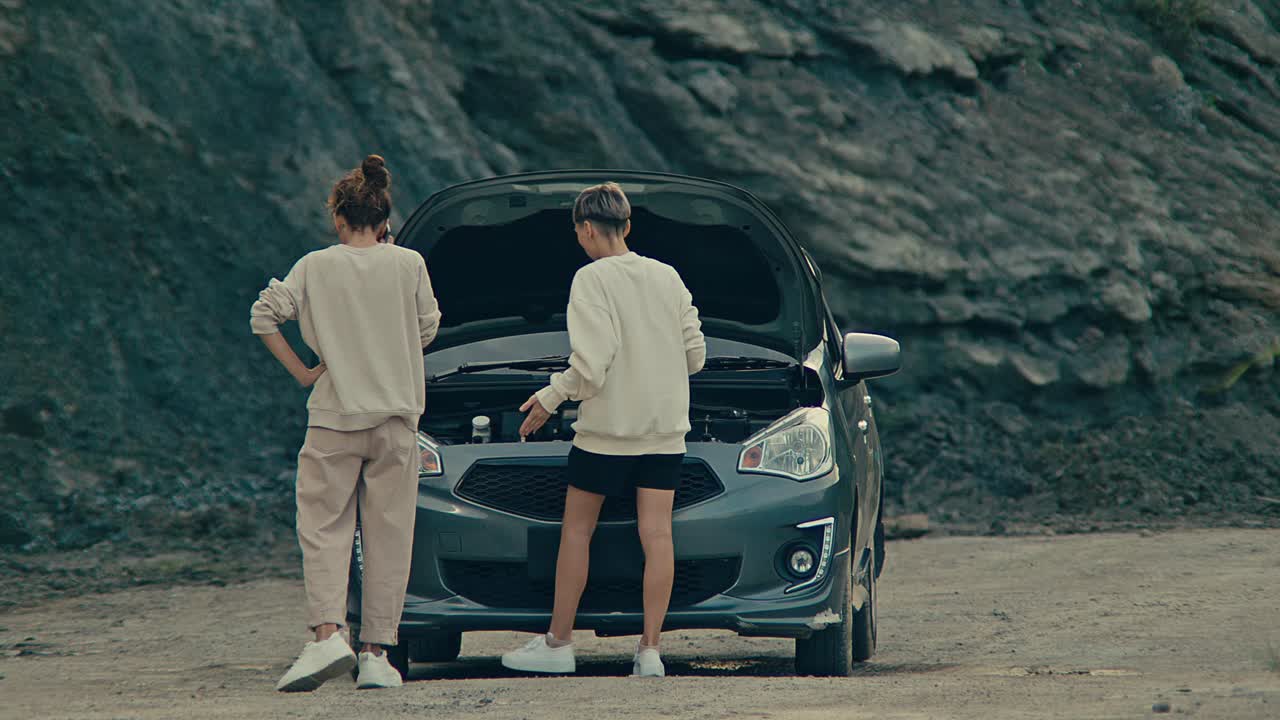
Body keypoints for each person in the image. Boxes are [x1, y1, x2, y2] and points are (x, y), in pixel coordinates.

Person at [250, 155, 441, 691]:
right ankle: (377, 654)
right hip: (397, 420)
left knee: (325, 529)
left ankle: (327, 636)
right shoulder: (409, 265)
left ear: (338, 218)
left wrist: (305, 373)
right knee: (388, 535)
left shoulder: (315, 265)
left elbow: (263, 315)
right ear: (384, 221)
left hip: (334, 418)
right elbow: (427, 330)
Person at [500, 182, 706, 678]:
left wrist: (549, 397)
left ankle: (559, 642)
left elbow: (590, 368)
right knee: (657, 535)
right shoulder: (668, 276)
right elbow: (695, 356)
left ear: (587, 229)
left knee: (577, 531)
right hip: (663, 433)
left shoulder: (591, 279)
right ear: (627, 227)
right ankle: (650, 651)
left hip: (607, 436)